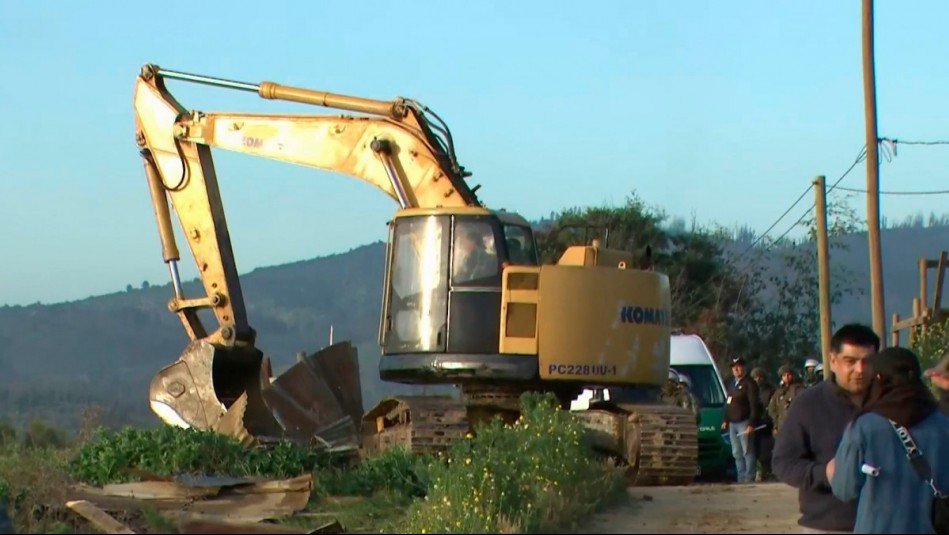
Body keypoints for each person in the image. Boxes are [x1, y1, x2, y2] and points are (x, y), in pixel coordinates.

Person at [772, 323, 880, 533]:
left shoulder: (891, 403)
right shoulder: (808, 404)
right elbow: (783, 462)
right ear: (832, 361)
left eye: (867, 362)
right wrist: (824, 474)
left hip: (884, 524)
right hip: (827, 524)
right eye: (850, 361)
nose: (859, 370)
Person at [828, 346, 949, 533]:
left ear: (878, 379)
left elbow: (845, 489)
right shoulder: (943, 424)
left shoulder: (863, 427)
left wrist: (832, 469)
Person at [723, 356, 760, 483]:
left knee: (747, 451)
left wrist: (751, 423)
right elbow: (728, 403)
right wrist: (725, 419)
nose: (736, 369)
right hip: (733, 423)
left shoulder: (749, 384)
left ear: (744, 367)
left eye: (738, 366)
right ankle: (741, 477)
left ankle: (749, 477)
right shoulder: (731, 384)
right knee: (736, 452)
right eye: (734, 367)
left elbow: (754, 405)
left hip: (744, 422)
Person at [752, 366, 776, 481]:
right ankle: (759, 472)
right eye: (755, 377)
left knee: (766, 451)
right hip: (755, 424)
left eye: (760, 377)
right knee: (755, 450)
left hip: (767, 424)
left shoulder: (771, 391)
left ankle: (768, 472)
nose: (758, 379)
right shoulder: (752, 391)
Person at [769, 364, 806, 436]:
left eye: (788, 375)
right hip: (781, 425)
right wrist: (777, 419)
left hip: (795, 424)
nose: (787, 377)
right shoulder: (778, 392)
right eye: (784, 375)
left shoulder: (798, 388)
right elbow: (772, 408)